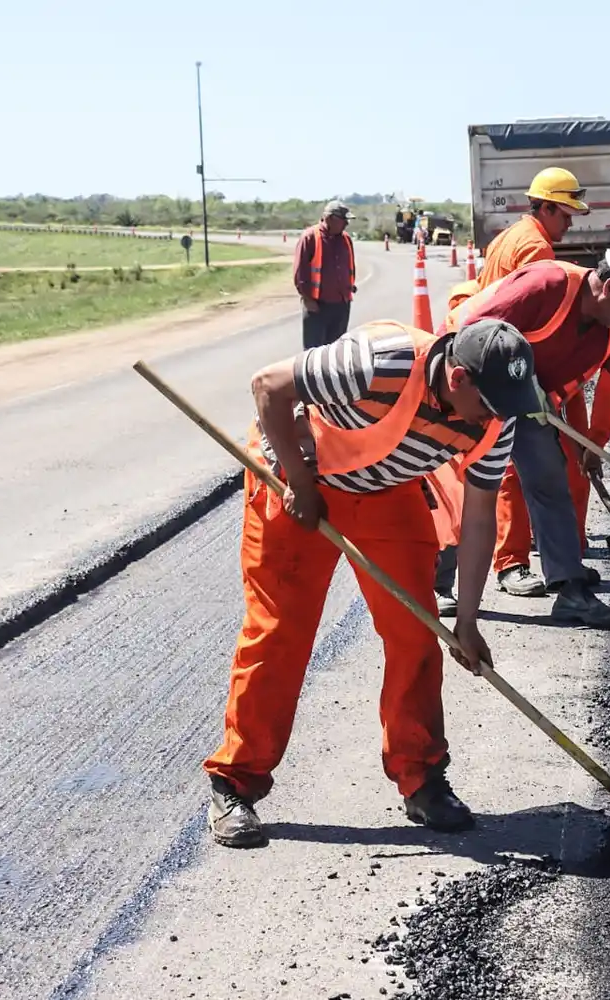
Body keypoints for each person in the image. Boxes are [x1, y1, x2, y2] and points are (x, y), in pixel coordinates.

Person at [202, 315, 542, 849]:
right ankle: (235, 782)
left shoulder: (497, 416)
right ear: (458, 380)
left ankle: (421, 777)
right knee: (280, 632)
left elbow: (479, 521)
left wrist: (470, 622)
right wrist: (299, 479)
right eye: (490, 403)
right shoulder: (379, 362)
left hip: (387, 489)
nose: (495, 418)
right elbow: (267, 385)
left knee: (417, 632)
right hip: (299, 474)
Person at [438, 244, 610, 629]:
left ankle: (571, 592)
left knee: (550, 478)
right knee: (457, 486)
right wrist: (517, 378)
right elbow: (471, 334)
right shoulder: (547, 285)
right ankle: (439, 583)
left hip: (527, 402)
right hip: (467, 383)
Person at [433, 167, 597, 606]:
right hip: (492, 369)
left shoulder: (512, 235)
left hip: (488, 361)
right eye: (565, 213)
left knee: (517, 468)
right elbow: (527, 320)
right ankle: (509, 564)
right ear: (544, 206)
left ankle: (552, 569)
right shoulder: (535, 248)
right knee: (502, 469)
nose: (570, 223)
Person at [293, 200, 357, 349]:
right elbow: (300, 273)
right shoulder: (310, 237)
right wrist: (308, 299)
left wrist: (349, 287)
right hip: (317, 306)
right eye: (344, 220)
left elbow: (349, 267)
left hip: (341, 305)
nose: (346, 224)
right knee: (314, 353)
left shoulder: (346, 239)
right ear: (330, 218)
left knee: (336, 352)